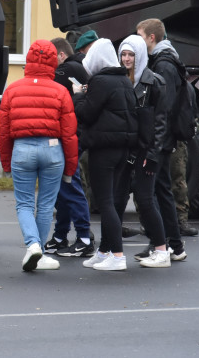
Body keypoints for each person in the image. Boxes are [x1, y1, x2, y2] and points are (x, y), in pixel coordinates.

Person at [0, 39, 77, 271]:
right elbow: (69, 134)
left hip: (22, 149)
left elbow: (3, 130)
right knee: (45, 205)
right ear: (54, 61)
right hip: (52, 150)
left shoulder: (12, 89)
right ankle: (39, 252)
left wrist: (6, 161)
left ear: (28, 60)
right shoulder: (61, 91)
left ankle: (32, 245)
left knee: (24, 204)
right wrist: (70, 169)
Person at [74, 38, 138, 272]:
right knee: (112, 199)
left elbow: (86, 114)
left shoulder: (100, 81)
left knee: (105, 203)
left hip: (104, 149)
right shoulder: (123, 80)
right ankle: (104, 252)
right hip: (123, 148)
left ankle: (118, 256)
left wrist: (78, 94)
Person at [114, 35, 171, 267]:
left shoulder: (154, 81)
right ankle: (109, 249)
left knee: (145, 199)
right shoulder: (118, 79)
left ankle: (161, 249)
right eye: (123, 55)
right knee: (116, 199)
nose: (127, 59)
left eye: (131, 55)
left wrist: (153, 154)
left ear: (140, 56)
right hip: (126, 149)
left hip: (146, 151)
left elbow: (160, 122)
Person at [137, 18, 191, 257]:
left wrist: (156, 143)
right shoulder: (166, 60)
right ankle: (173, 245)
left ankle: (162, 244)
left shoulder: (164, 64)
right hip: (164, 137)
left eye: (140, 37)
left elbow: (163, 107)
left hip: (161, 139)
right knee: (161, 190)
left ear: (151, 38)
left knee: (155, 193)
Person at [45, 37, 95, 259]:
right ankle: (61, 235)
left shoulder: (67, 70)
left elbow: (52, 97)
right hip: (75, 135)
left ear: (61, 55)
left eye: (51, 58)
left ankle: (83, 237)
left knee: (69, 185)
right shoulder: (81, 66)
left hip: (70, 136)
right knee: (63, 187)